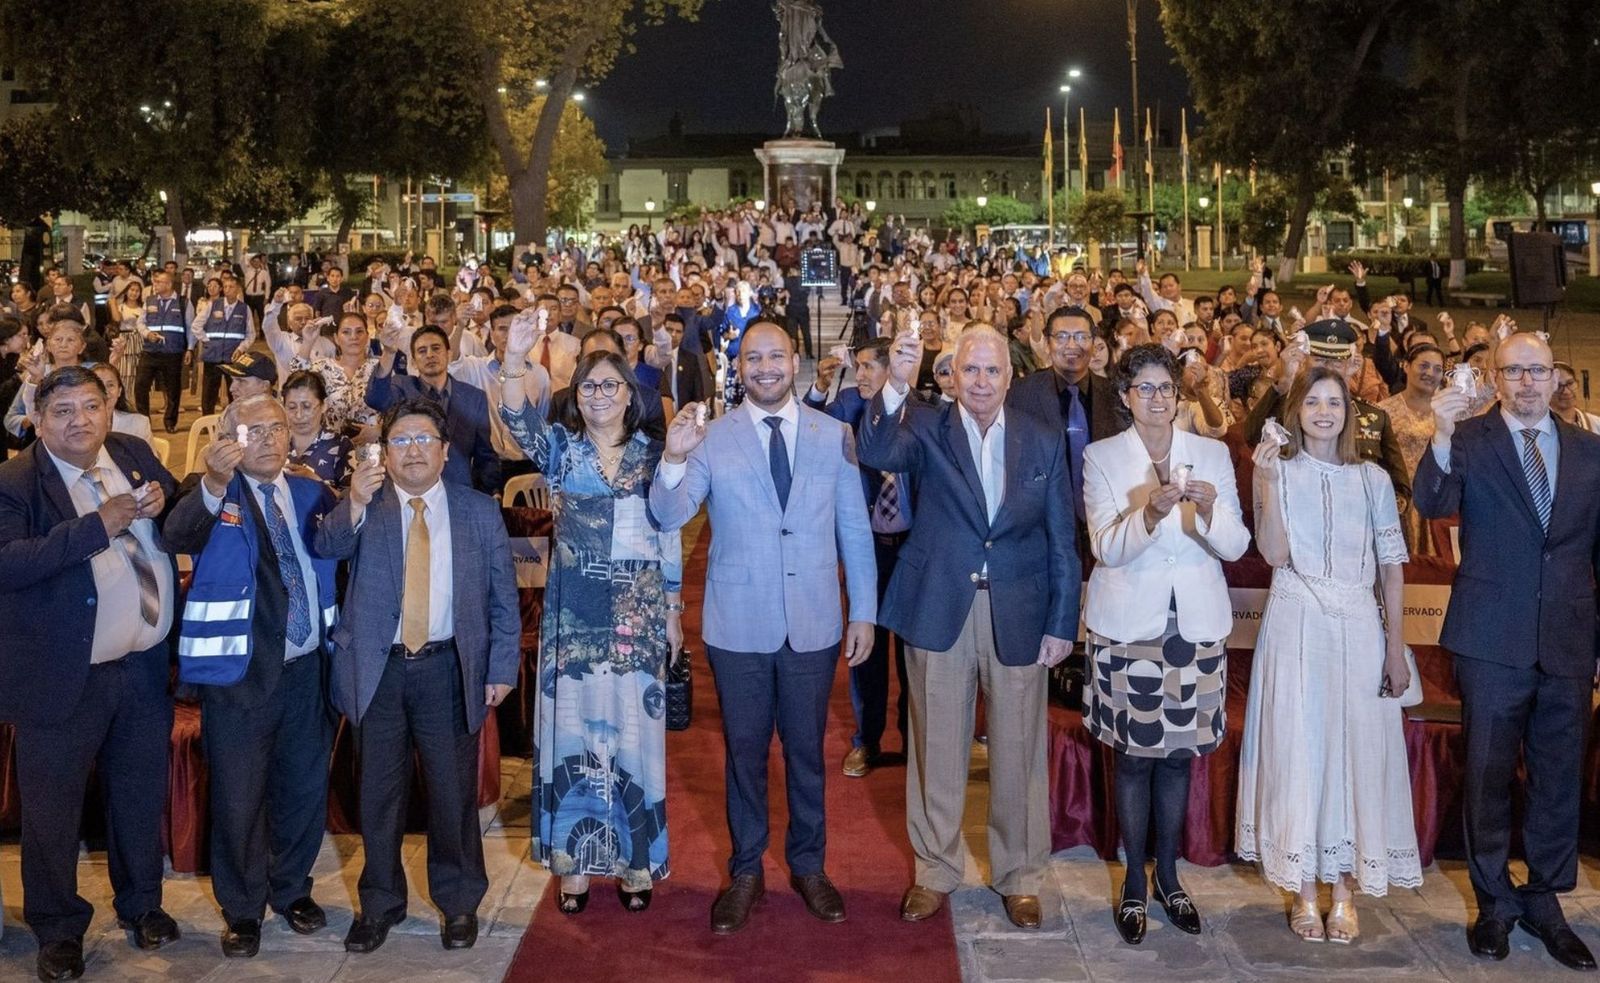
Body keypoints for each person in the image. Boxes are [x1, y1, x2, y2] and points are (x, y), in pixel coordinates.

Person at [650, 319, 876, 935]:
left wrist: (863, 611)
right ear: (738, 366)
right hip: (736, 626)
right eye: (754, 358)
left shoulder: (835, 436)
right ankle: (745, 869)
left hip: (814, 623)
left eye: (777, 356)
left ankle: (810, 866)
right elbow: (668, 514)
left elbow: (853, 529)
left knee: (807, 753)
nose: (766, 368)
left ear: (796, 361)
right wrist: (672, 457)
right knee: (745, 756)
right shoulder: (710, 438)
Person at [856, 324, 1079, 931]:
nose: (980, 382)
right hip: (940, 606)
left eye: (992, 371)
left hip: (1020, 612)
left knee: (1019, 752)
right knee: (936, 747)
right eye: (969, 370)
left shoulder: (1042, 436)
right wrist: (896, 385)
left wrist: (1063, 621)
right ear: (950, 375)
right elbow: (876, 451)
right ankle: (935, 869)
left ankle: (1019, 876)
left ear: (1010, 376)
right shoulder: (925, 426)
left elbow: (1063, 537)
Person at [1415, 332, 1600, 971]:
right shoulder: (1470, 439)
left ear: (1556, 379)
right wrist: (1438, 433)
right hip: (1491, 638)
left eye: (1538, 371)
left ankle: (1545, 900)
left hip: (1569, 641)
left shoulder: (1590, 451)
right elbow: (1433, 504)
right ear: (1496, 379)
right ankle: (1493, 900)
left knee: (1557, 779)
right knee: (1489, 775)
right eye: (1514, 371)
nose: (1527, 382)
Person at [314, 398, 520, 955]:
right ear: (385, 452)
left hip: (449, 668)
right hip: (378, 671)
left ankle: (457, 904)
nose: (412, 451)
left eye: (423, 440)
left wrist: (502, 665)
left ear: (445, 450)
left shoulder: (477, 511)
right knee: (378, 795)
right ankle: (380, 904)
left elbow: (504, 597)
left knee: (453, 796)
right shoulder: (367, 505)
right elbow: (325, 545)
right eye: (400, 441)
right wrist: (353, 501)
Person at [0, 365, 180, 982]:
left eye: (90, 406)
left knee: (137, 795)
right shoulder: (15, 480)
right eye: (62, 410)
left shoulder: (131, 452)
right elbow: (7, 564)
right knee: (53, 812)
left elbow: (176, 511)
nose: (79, 420)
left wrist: (167, 497)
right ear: (38, 420)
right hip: (63, 675)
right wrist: (94, 527)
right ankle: (56, 928)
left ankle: (143, 906)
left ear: (111, 408)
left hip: (143, 668)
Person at [498, 315, 683, 914]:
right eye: (588, 387)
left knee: (634, 735)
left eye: (610, 385)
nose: (599, 395)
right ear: (576, 399)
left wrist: (674, 609)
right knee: (571, 733)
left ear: (631, 394)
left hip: (638, 610)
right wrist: (514, 360)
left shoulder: (658, 454)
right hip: (573, 610)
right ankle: (572, 864)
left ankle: (635, 862)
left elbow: (669, 531)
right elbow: (518, 419)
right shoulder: (561, 451)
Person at [1236, 367, 1420, 944]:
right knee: (1303, 748)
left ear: (1349, 412)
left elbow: (1392, 569)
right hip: (1296, 623)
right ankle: (1305, 891)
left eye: (1334, 402)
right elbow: (1273, 553)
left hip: (1361, 626)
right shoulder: (1280, 471)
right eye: (1312, 401)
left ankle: (1344, 889)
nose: (1323, 411)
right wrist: (1264, 483)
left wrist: (1394, 648)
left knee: (1356, 750)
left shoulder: (1371, 478)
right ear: (1296, 410)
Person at [1080, 343, 1250, 946]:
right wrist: (1148, 516)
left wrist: (1205, 511)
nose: (1157, 398)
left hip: (1193, 625)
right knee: (1134, 757)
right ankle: (1132, 880)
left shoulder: (1211, 453)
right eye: (1144, 388)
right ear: (1126, 398)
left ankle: (1170, 876)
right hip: (1130, 626)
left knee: (1178, 757)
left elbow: (1234, 545)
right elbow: (1107, 548)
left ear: (1179, 395)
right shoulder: (1101, 457)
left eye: (1166, 388)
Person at [163, 395, 340, 958]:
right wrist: (213, 483)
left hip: (308, 670)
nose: (267, 438)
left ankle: (291, 889)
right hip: (238, 678)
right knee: (239, 800)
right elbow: (177, 535)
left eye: (277, 428)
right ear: (229, 438)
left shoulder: (313, 493)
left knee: (303, 792)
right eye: (252, 429)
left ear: (292, 435)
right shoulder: (214, 491)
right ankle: (242, 910)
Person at [805, 337, 930, 776]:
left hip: (915, 548)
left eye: (867, 367)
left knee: (914, 654)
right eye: (856, 367)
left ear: (894, 369)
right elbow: (809, 428)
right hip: (867, 549)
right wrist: (819, 390)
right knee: (867, 648)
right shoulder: (846, 406)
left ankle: (915, 741)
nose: (858, 375)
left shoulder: (924, 409)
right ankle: (867, 740)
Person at [366, 324, 500, 493]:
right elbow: (375, 398)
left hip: (459, 492)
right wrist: (389, 353)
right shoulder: (402, 387)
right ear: (413, 362)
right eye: (422, 351)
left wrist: (490, 494)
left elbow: (485, 455)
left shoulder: (474, 397)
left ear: (449, 354)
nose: (430, 355)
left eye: (436, 348)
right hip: (408, 490)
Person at [1378, 344, 1446, 556]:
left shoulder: (1448, 410)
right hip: (1396, 501)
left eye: (1437, 369)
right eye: (1424, 366)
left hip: (1436, 500)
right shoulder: (1384, 410)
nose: (1430, 374)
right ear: (1405, 366)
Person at [292, 310, 380, 441]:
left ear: (367, 337)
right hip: (330, 450)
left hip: (372, 450)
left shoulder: (380, 367)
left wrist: (380, 430)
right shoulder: (323, 367)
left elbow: (397, 409)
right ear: (336, 338)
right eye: (346, 332)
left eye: (359, 331)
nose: (353, 337)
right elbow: (295, 382)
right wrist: (308, 342)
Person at [133, 271, 195, 434]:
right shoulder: (150, 301)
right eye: (155, 282)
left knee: (173, 389)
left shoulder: (184, 303)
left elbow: (190, 328)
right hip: (150, 351)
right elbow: (140, 322)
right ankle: (144, 421)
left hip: (173, 352)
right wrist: (147, 334)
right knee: (140, 385)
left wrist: (190, 349)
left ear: (168, 284)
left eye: (159, 282)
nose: (155, 285)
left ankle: (170, 422)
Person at [195, 274, 257, 415]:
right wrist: (207, 341)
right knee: (209, 392)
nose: (228, 289)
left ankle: (234, 419)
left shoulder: (244, 309)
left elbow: (251, 334)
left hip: (233, 357)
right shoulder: (212, 305)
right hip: (213, 356)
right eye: (226, 287)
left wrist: (241, 348)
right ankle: (206, 420)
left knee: (234, 390)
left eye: (232, 287)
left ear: (238, 290)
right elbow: (196, 325)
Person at [281, 370, 354, 488]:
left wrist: (316, 482)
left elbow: (351, 500)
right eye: (292, 407)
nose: (299, 415)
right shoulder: (276, 443)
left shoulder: (341, 446)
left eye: (307, 407)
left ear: (324, 405)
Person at [89, 362, 155, 449]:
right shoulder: (77, 426)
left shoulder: (138, 424)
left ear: (119, 391)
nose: (105, 391)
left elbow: (148, 461)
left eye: (110, 385)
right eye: (98, 385)